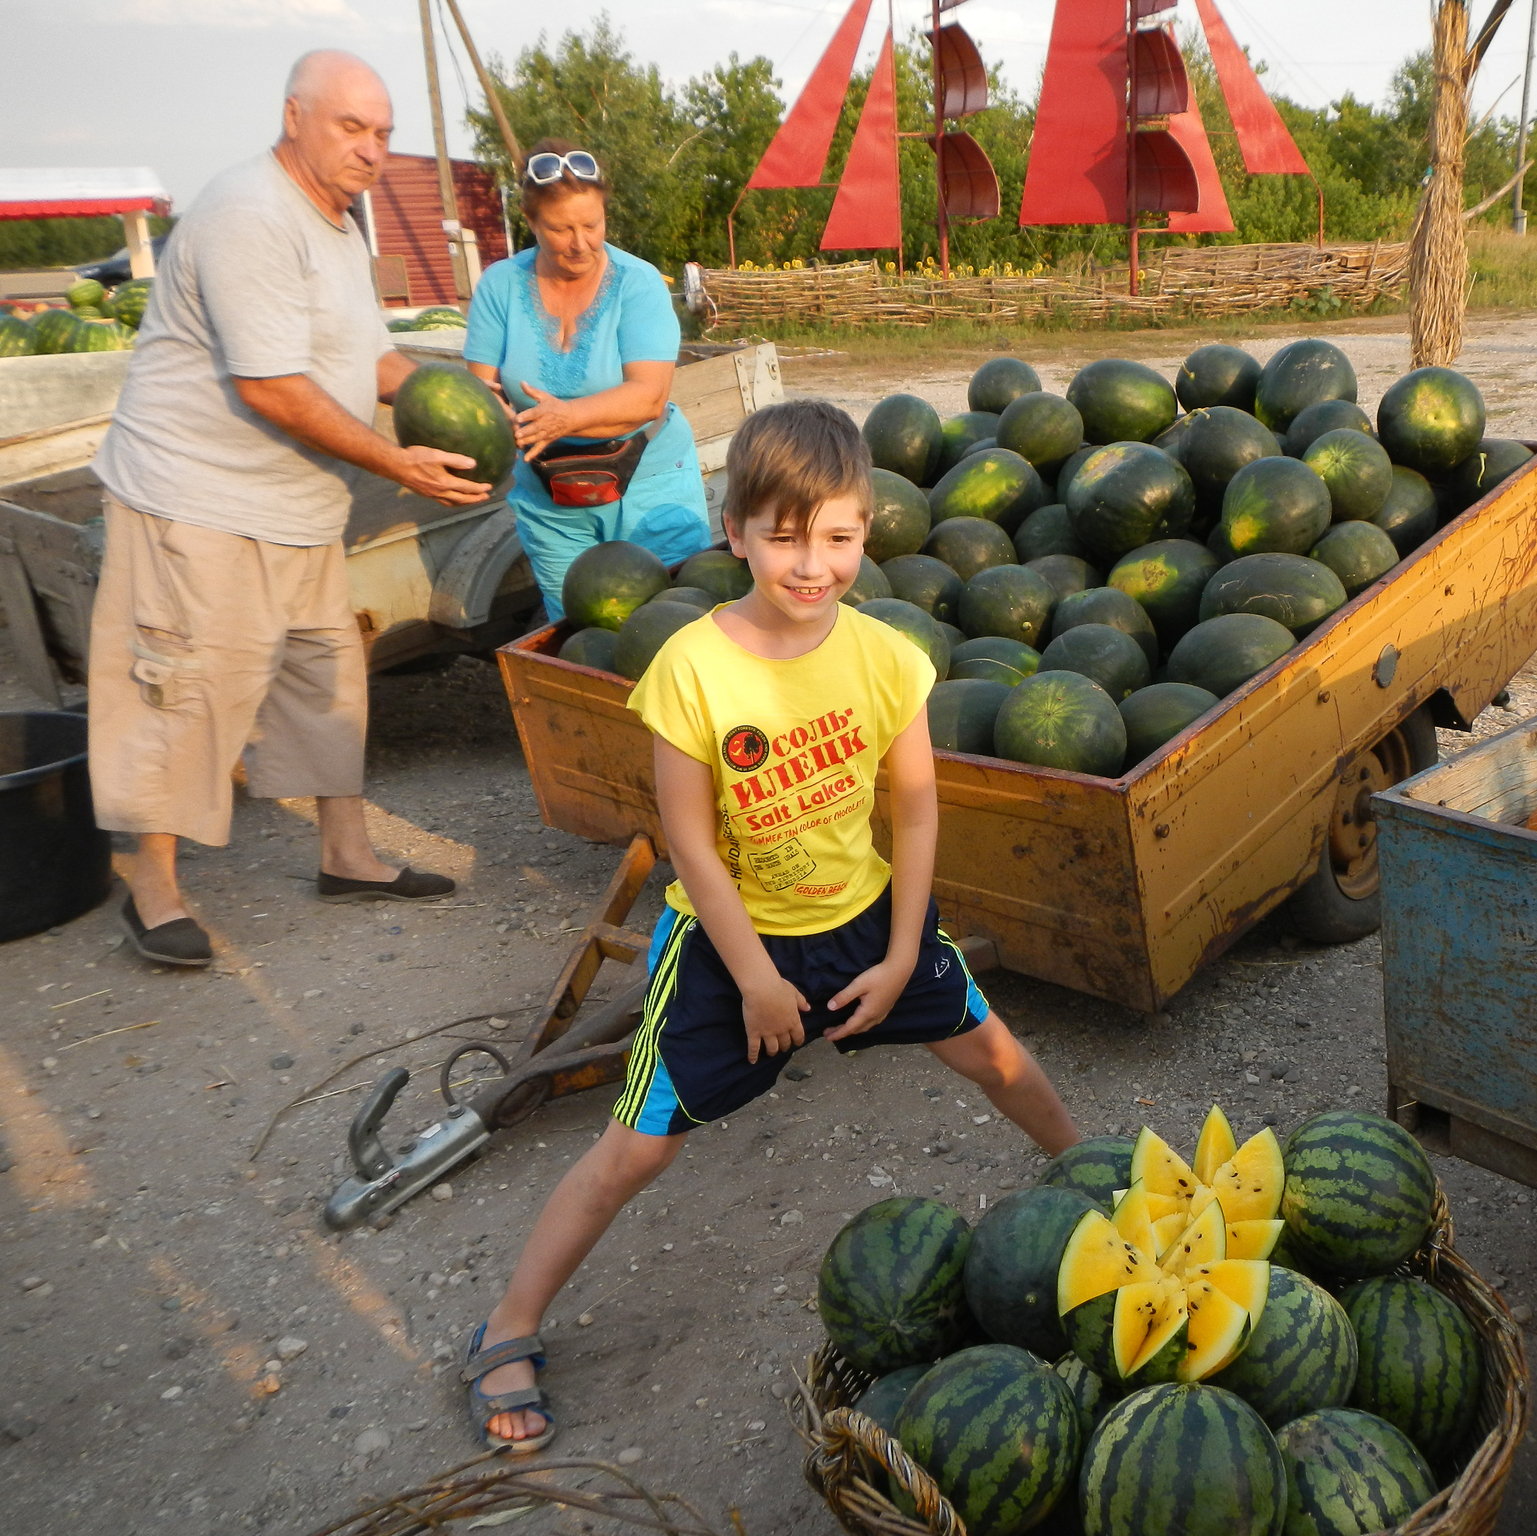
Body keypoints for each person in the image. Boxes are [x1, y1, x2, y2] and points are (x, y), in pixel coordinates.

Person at [459, 400, 1080, 1453]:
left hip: (865, 922)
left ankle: (1091, 1179)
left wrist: (898, 955)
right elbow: (690, 847)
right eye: (784, 537)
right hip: (724, 947)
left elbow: (917, 808)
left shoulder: (888, 657)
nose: (810, 565)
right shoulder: (692, 668)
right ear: (733, 530)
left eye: (835, 537)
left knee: (993, 1056)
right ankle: (508, 1324)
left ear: (866, 532)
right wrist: (751, 980)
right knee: (632, 1153)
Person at [89, 51, 485, 969]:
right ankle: (153, 891)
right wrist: (397, 461)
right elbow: (270, 385)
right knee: (183, 694)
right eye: (354, 128)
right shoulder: (248, 213)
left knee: (326, 687)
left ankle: (347, 856)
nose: (372, 150)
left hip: (298, 509)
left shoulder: (339, 220)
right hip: (198, 502)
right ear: (295, 115)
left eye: (384, 134)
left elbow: (370, 358)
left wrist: (457, 396)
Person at [463, 140, 711, 621]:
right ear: (532, 223)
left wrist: (566, 416)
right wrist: (488, 415)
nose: (580, 243)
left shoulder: (636, 283)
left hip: (649, 479)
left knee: (674, 618)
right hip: (549, 493)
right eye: (560, 228)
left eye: (591, 225)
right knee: (578, 628)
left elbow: (649, 397)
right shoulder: (500, 285)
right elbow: (478, 393)